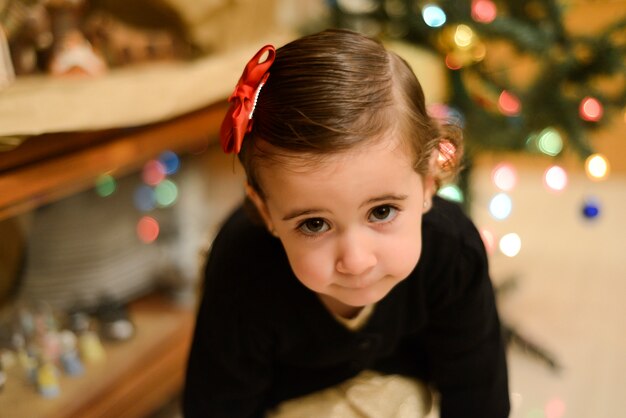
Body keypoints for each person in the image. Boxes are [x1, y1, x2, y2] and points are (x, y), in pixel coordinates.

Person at [183, 29, 510, 418]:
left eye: (382, 212)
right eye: (314, 224)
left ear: (427, 183)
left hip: (406, 391)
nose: (355, 261)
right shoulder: (242, 269)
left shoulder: (452, 251)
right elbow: (218, 406)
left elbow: (478, 394)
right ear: (268, 212)